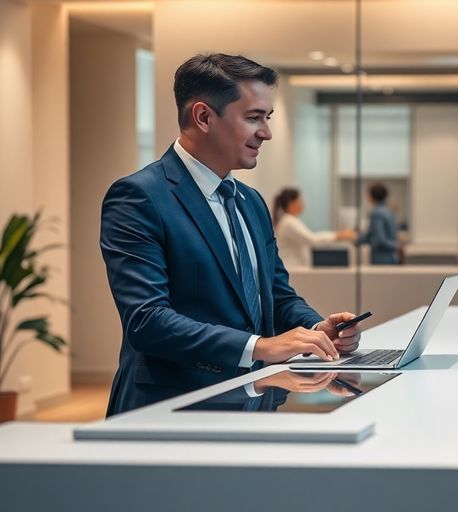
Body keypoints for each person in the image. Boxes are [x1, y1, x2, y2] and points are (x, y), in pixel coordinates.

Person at [100, 53, 361, 416]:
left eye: (267, 118)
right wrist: (260, 347)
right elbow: (147, 320)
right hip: (171, 410)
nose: (266, 132)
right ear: (204, 117)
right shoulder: (139, 197)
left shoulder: (251, 202)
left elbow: (277, 295)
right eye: (254, 118)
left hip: (253, 401)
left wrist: (316, 328)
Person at [272, 187, 356, 268]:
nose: (302, 204)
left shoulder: (288, 221)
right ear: (291, 203)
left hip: (295, 269)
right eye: (299, 200)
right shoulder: (289, 222)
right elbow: (312, 239)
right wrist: (339, 235)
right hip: (293, 269)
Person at [360, 182, 399, 265]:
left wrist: (356, 240)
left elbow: (380, 240)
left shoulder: (376, 213)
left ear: (372, 196)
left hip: (381, 259)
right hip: (392, 257)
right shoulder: (389, 211)